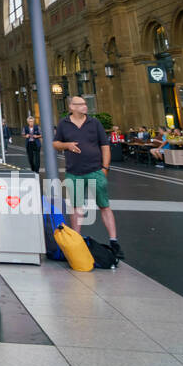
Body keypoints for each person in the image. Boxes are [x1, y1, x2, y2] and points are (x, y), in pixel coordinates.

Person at [53, 96, 123, 260]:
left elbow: (105, 146)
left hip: (95, 170)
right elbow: (55, 143)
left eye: (85, 104)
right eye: (81, 104)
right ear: (72, 107)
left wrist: (105, 168)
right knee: (76, 208)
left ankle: (114, 241)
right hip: (74, 172)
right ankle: (76, 241)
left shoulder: (94, 123)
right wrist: (67, 145)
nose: (85, 106)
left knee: (104, 205)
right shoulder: (64, 124)